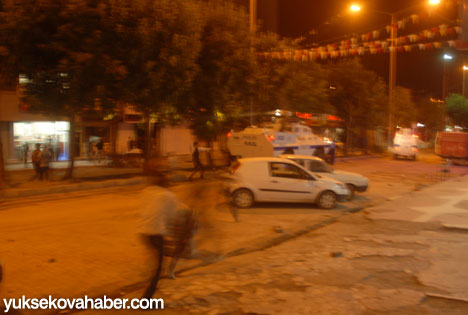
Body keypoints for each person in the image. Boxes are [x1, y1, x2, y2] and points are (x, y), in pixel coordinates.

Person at [139, 169, 197, 299]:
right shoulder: (167, 195)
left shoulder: (147, 191)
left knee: (154, 261)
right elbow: (176, 213)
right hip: (156, 233)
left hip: (143, 232)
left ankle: (148, 283)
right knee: (158, 269)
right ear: (165, 183)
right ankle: (146, 300)